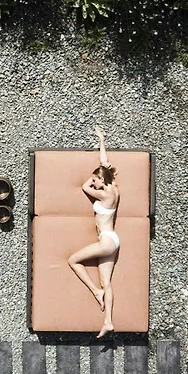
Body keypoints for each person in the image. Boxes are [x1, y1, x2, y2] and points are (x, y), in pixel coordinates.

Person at [67, 125, 120, 338]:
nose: (95, 184)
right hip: (113, 241)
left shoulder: (104, 194)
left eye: (96, 180)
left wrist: (93, 178)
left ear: (101, 180)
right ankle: (108, 322)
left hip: (106, 241)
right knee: (107, 282)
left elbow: (84, 187)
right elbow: (104, 164)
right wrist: (101, 140)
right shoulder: (114, 188)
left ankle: (95, 291)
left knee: (73, 260)